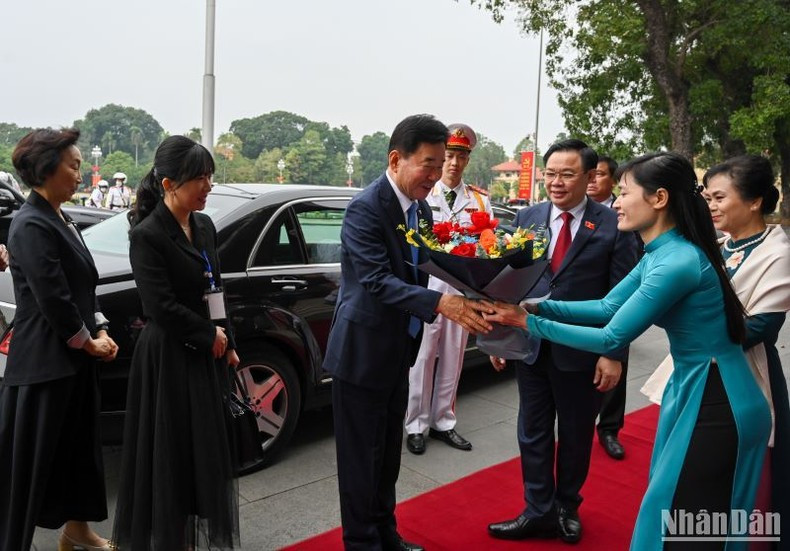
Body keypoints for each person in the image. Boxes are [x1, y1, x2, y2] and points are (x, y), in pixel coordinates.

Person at [486, 151, 773, 551]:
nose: (615, 202)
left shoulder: (677, 261)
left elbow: (609, 336)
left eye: (623, 192)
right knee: (676, 514)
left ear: (659, 199)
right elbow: (606, 306)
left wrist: (527, 323)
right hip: (698, 387)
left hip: (718, 398)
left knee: (687, 524)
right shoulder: (661, 252)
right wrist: (536, 305)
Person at [323, 114, 493, 551]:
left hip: (399, 346)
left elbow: (427, 263)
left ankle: (385, 533)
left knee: (387, 457)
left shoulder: (417, 207)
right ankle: (362, 542)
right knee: (362, 461)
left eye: (442, 165)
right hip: (361, 353)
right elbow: (377, 280)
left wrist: (482, 282)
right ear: (396, 159)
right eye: (429, 165)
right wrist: (443, 303)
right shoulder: (365, 208)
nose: (436, 175)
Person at [486, 139, 639, 544]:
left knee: (574, 434)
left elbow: (623, 295)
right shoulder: (529, 217)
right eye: (550, 173)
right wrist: (500, 339)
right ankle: (537, 510)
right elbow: (510, 283)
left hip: (582, 350)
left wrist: (613, 353)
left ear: (590, 178)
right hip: (530, 345)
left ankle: (567, 507)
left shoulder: (614, 226)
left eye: (567, 174)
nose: (556, 182)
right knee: (532, 430)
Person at [643, 154, 790, 550]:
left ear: (755, 200)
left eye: (719, 198)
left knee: (719, 481)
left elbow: (760, 327)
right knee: (678, 473)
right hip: (694, 374)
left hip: (742, 377)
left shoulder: (778, 253)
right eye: (707, 197)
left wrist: (686, 322)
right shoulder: (717, 245)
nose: (710, 206)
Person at [112, 136, 240, 550]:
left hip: (206, 353)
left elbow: (215, 288)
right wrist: (208, 334)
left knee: (201, 455)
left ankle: (188, 533)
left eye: (209, 177)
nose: (207, 186)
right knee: (170, 453)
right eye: (198, 178)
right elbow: (159, 306)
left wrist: (227, 339)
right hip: (168, 357)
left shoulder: (204, 226)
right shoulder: (148, 235)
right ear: (169, 183)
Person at [0, 128, 118, 551]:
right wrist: (87, 341)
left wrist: (100, 327)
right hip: (42, 366)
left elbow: (82, 285)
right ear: (47, 169)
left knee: (80, 455)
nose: (80, 172)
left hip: (72, 362)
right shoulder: (30, 223)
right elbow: (53, 296)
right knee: (27, 469)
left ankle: (77, 531)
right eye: (72, 165)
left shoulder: (59, 216)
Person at [404, 123, 492, 455]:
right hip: (428, 290)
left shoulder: (480, 201)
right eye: (450, 156)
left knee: (454, 358)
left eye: (461, 156)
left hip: (461, 292)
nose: (454, 163)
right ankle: (416, 424)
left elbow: (486, 248)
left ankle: (444, 420)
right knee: (422, 358)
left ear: (468, 159)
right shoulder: (424, 193)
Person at [589, 155, 629, 459]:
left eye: (599, 175)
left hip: (617, 303)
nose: (592, 181)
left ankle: (610, 429)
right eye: (589, 175)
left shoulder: (624, 213)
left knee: (615, 368)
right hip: (581, 308)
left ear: (612, 181)